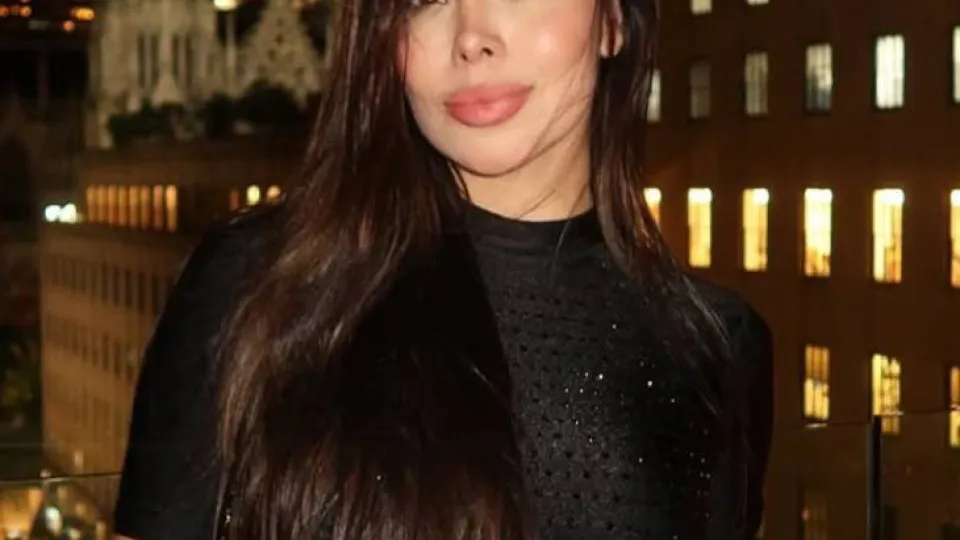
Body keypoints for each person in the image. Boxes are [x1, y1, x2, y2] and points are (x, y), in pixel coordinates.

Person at [113, 0, 774, 538]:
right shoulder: (258, 283)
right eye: (424, 0)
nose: (471, 37)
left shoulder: (716, 348)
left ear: (613, 21)